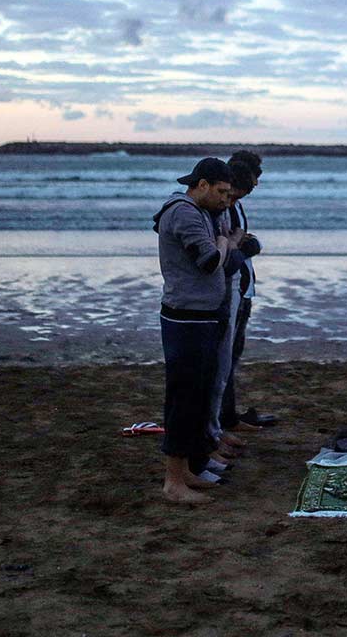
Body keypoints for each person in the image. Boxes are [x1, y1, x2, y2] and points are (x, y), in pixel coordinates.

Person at [152, 157, 241, 506]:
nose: (225, 200)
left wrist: (223, 239)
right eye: (221, 192)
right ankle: (173, 482)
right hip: (185, 319)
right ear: (201, 185)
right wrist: (224, 242)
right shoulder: (185, 212)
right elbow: (207, 262)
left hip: (201, 316)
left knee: (197, 399)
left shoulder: (202, 213)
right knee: (183, 400)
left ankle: (186, 469)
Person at [206, 160, 261, 449]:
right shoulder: (219, 207)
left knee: (232, 355)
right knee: (222, 359)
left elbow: (233, 241)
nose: (235, 199)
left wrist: (241, 242)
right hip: (230, 286)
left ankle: (226, 418)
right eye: (235, 193)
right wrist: (240, 244)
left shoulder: (233, 205)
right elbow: (222, 249)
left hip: (242, 285)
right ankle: (221, 423)